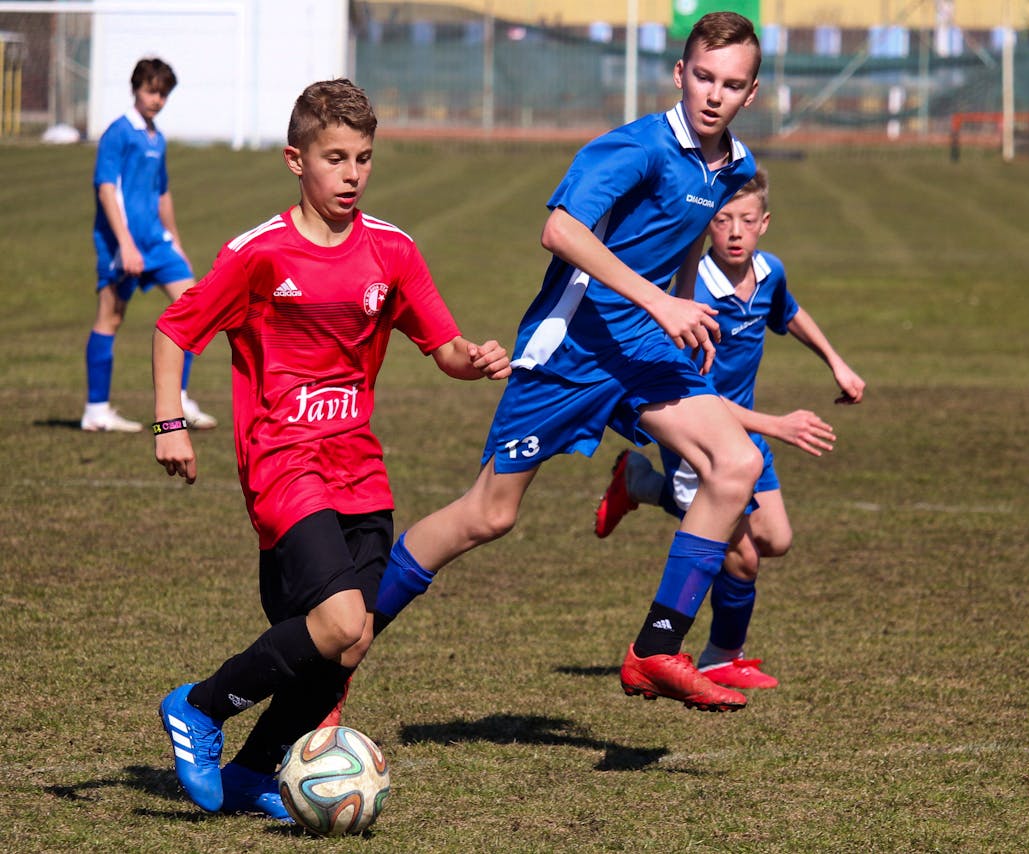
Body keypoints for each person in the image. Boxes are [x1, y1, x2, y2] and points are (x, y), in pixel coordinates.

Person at [367, 11, 764, 714]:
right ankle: (337, 649)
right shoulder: (637, 147)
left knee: (736, 465)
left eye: (731, 85)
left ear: (750, 95)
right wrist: (662, 302)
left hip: (641, 349)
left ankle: (656, 649)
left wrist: (675, 306)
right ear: (679, 74)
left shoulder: (737, 168)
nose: (713, 94)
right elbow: (559, 229)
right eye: (702, 76)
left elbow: (684, 238)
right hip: (573, 348)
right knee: (487, 515)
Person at [152, 79, 510, 820]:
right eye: (335, 158)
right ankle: (199, 706)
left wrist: (470, 359)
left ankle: (252, 774)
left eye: (364, 159)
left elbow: (440, 345)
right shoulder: (259, 254)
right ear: (296, 160)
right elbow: (174, 329)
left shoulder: (393, 251)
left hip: (360, 469)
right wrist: (169, 422)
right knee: (343, 620)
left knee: (351, 644)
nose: (351, 175)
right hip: (283, 459)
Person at [593, 168, 866, 691]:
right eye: (722, 221)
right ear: (706, 227)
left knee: (775, 540)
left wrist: (836, 361)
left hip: (750, 435)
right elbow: (700, 396)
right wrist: (776, 424)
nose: (735, 232)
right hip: (705, 435)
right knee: (740, 555)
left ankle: (641, 483)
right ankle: (722, 657)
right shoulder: (695, 297)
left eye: (746, 220)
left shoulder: (769, 273)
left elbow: (790, 312)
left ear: (765, 223)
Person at [83, 58, 217, 432]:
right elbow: (106, 188)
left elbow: (162, 193)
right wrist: (125, 244)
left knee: (193, 307)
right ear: (136, 89)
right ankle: (96, 410)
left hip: (157, 242)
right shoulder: (119, 133)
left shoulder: (157, 138)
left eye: (163, 93)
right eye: (150, 91)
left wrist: (175, 240)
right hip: (121, 243)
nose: (157, 99)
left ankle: (181, 399)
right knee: (111, 317)